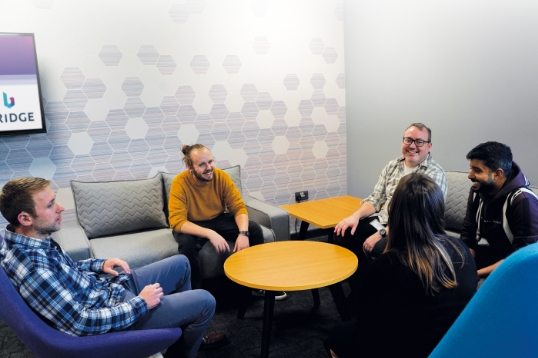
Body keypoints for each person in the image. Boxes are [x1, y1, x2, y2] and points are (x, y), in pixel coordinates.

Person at [0, 177, 228, 358]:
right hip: (114, 314)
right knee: (205, 301)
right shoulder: (33, 268)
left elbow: (65, 270)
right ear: (25, 218)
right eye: (50, 205)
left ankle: (188, 333)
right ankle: (183, 350)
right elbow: (82, 322)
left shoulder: (29, 239)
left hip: (107, 289)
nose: (60, 208)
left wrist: (100, 263)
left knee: (182, 264)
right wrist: (141, 303)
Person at [325, 173, 478, 358]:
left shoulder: (385, 267)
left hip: (406, 347)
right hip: (454, 346)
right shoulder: (461, 250)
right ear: (439, 210)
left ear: (394, 213)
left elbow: (367, 330)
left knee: (335, 337)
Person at [333, 123, 447, 301]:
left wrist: (382, 233)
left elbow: (419, 216)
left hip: (413, 230)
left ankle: (377, 297)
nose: (412, 146)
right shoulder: (393, 166)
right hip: (384, 222)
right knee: (344, 232)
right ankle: (361, 292)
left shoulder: (433, 173)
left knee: (379, 247)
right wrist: (354, 217)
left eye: (419, 141)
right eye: (408, 140)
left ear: (429, 146)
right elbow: (376, 199)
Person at [168, 144, 287, 300]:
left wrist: (243, 233)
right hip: (192, 224)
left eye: (210, 162)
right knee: (187, 247)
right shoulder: (180, 183)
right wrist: (211, 234)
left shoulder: (221, 177)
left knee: (255, 229)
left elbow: (238, 207)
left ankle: (259, 285)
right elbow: (177, 221)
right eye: (202, 164)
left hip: (217, 219)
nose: (208, 167)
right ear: (190, 167)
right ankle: (194, 296)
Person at [461, 141, 538, 279]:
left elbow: (522, 256)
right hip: (486, 255)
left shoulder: (523, 201)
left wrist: (475, 274)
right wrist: (465, 263)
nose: (470, 175)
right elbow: (468, 231)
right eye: (471, 168)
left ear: (497, 174)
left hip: (512, 267)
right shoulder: (478, 190)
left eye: (477, 170)